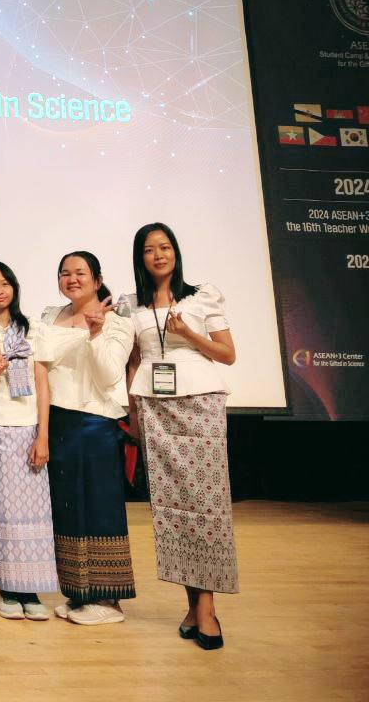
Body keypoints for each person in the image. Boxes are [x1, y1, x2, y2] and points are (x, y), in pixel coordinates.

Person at [125, 223, 238, 650]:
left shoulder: (202, 295)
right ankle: (193, 607)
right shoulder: (130, 305)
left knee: (206, 505)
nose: (159, 255)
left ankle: (207, 609)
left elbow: (227, 354)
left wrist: (188, 333)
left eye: (165, 247)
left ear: (176, 252)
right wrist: (133, 414)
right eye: (149, 249)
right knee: (172, 509)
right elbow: (133, 362)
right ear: (140, 257)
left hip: (200, 403)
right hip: (155, 409)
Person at [37, 250, 137, 625]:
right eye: (65, 273)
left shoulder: (118, 322)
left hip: (95, 422)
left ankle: (109, 600)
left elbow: (110, 376)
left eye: (80, 273)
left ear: (97, 280)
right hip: (58, 421)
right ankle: (79, 593)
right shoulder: (50, 316)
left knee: (99, 508)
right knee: (68, 510)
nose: (72, 279)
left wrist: (95, 333)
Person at [0, 261, 57, 621]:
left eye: (5, 283)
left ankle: (31, 589)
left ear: (15, 287)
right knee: (5, 510)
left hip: (31, 427)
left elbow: (42, 383)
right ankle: (8, 587)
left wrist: (43, 435)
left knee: (35, 513)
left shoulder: (33, 327)